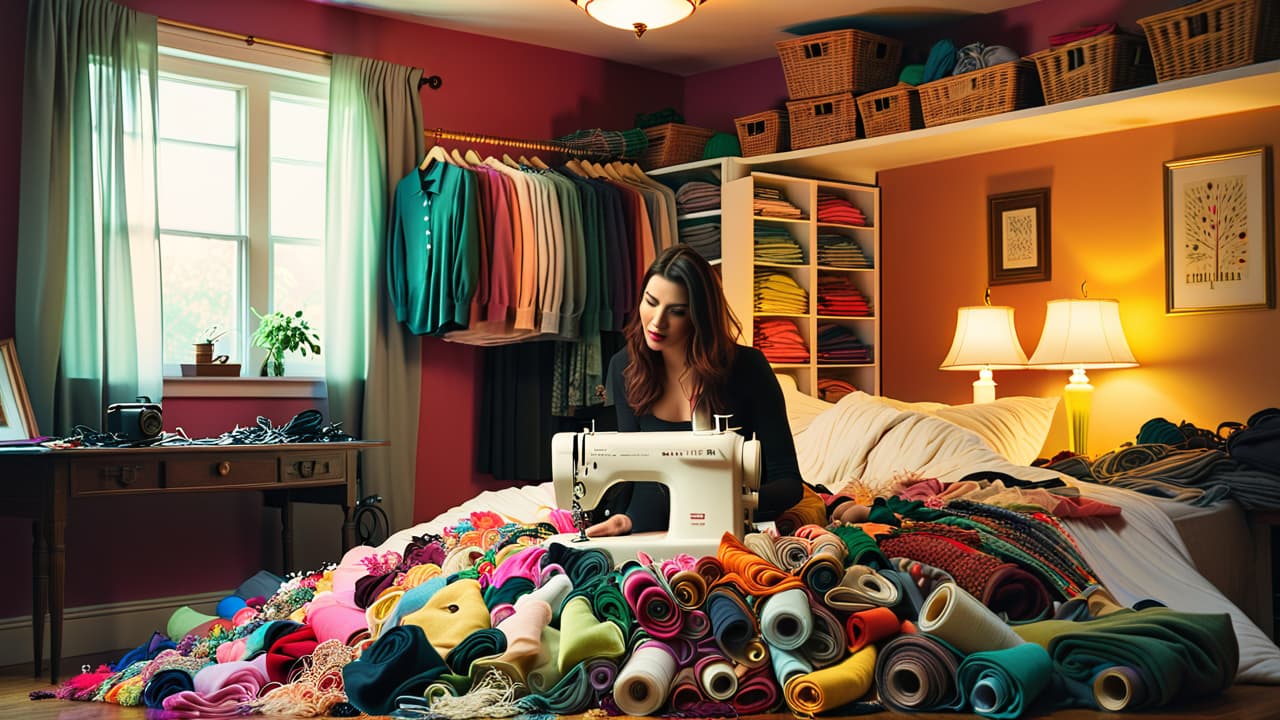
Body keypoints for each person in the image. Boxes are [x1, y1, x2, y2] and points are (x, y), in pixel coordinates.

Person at [587, 245, 805, 536]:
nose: (657, 321)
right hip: (654, 525)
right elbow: (635, 475)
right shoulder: (625, 367)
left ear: (700, 316)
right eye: (650, 302)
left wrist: (725, 502)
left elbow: (788, 482)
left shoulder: (747, 368)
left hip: (736, 524)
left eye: (676, 311)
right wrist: (625, 520)